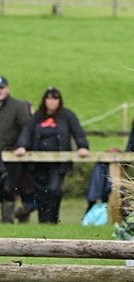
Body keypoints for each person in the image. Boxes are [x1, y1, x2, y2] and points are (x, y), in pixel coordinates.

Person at [13, 87, 90, 223]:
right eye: (48, 98)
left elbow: (78, 132)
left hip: (58, 163)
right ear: (44, 100)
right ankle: (43, 222)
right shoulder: (38, 116)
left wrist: (82, 146)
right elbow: (27, 132)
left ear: (59, 101)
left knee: (53, 190)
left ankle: (52, 221)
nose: (51, 102)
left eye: (55, 98)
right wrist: (21, 146)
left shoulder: (67, 116)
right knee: (41, 192)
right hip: (39, 163)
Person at [0, 75, 33, 223]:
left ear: (7, 88)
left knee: (8, 189)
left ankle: (8, 221)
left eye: (1, 88)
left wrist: (22, 145)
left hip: (9, 156)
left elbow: (27, 128)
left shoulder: (17, 106)